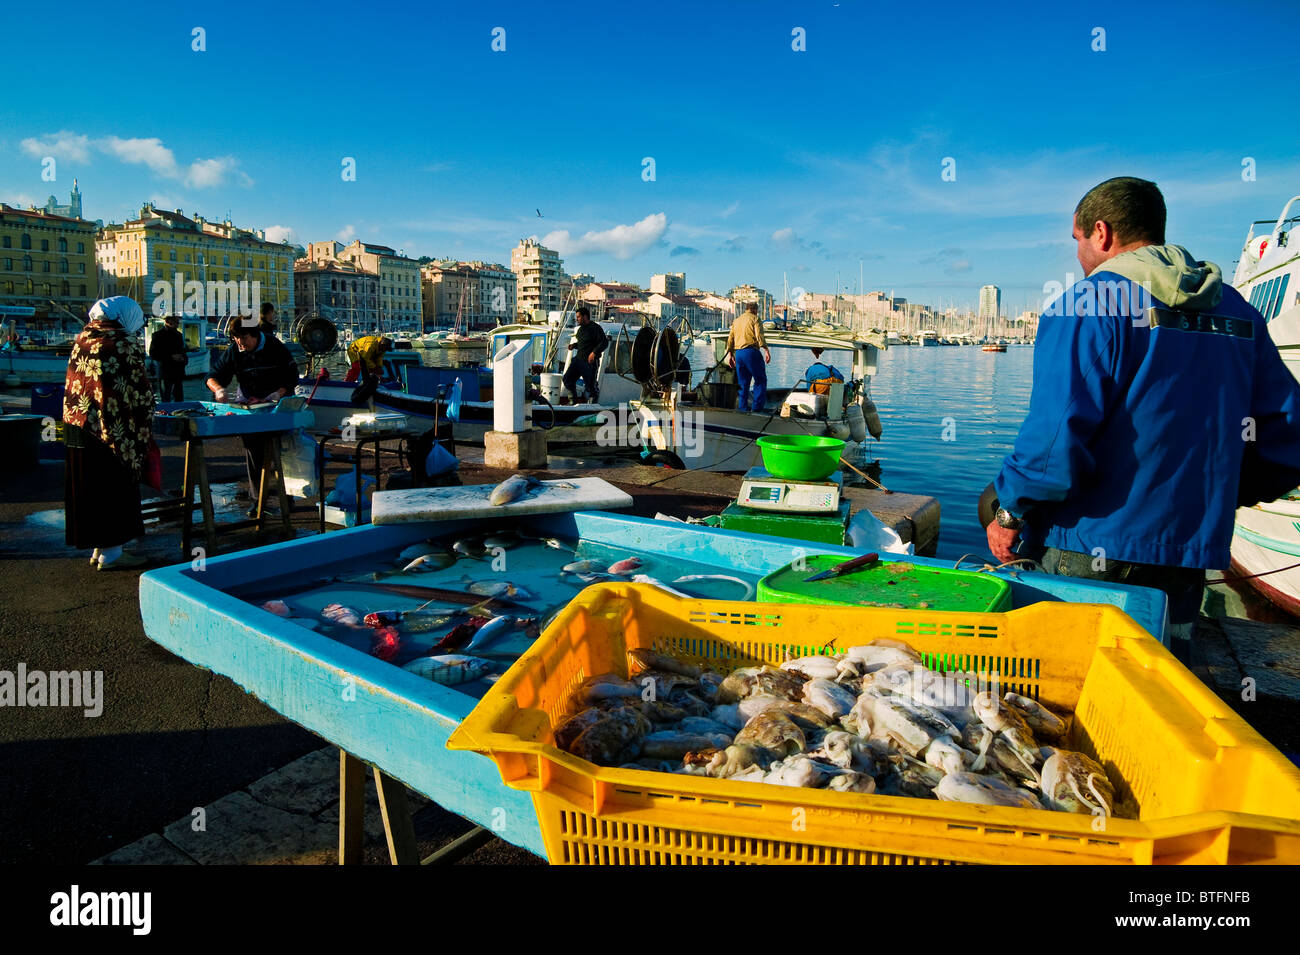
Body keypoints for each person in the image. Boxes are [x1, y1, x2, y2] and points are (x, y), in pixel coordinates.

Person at [987, 176, 1300, 659]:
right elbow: (1287, 435)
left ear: (1101, 232)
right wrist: (1218, 497)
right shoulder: (1239, 311)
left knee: (1068, 681)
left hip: (1091, 546)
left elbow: (1053, 445)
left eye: (1077, 241)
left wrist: (1009, 512)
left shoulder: (1088, 306)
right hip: (1190, 550)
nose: (1078, 256)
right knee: (1158, 681)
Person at [63, 296, 155, 570]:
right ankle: (112, 554)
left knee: (90, 488)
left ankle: (100, 549)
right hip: (111, 428)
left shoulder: (83, 338)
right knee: (113, 487)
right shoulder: (123, 343)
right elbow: (138, 390)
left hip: (77, 425)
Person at [206, 318, 301, 513]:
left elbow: (292, 376)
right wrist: (219, 390)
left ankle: (287, 499)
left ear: (256, 335)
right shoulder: (235, 350)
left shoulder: (275, 346)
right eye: (236, 338)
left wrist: (276, 394)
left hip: (277, 404)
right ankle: (258, 502)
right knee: (253, 451)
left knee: (280, 452)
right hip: (249, 405)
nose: (240, 342)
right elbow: (212, 376)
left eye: (244, 338)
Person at [724, 302, 771, 412]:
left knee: (743, 383)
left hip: (739, 353)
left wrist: (730, 355)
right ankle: (757, 409)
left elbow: (730, 339)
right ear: (755, 310)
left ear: (746, 309)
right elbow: (759, 335)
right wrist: (766, 349)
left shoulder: (737, 320)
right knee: (760, 380)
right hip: (751, 352)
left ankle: (742, 409)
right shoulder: (755, 318)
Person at [563, 306, 608, 403]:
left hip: (589, 363)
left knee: (590, 386)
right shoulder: (580, 330)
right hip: (578, 360)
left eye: (578, 317)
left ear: (585, 316)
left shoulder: (595, 328)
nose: (577, 319)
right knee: (567, 380)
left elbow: (604, 343)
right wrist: (574, 345)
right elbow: (582, 344)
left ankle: (592, 405)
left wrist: (594, 353)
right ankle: (573, 401)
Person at [148, 314, 188, 402]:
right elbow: (153, 354)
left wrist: (184, 359)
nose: (177, 324)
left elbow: (182, 351)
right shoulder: (158, 335)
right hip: (165, 372)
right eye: (175, 322)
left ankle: (179, 415)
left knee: (179, 398)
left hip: (178, 371)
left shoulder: (178, 335)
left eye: (177, 322)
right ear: (167, 322)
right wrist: (171, 357)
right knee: (166, 398)